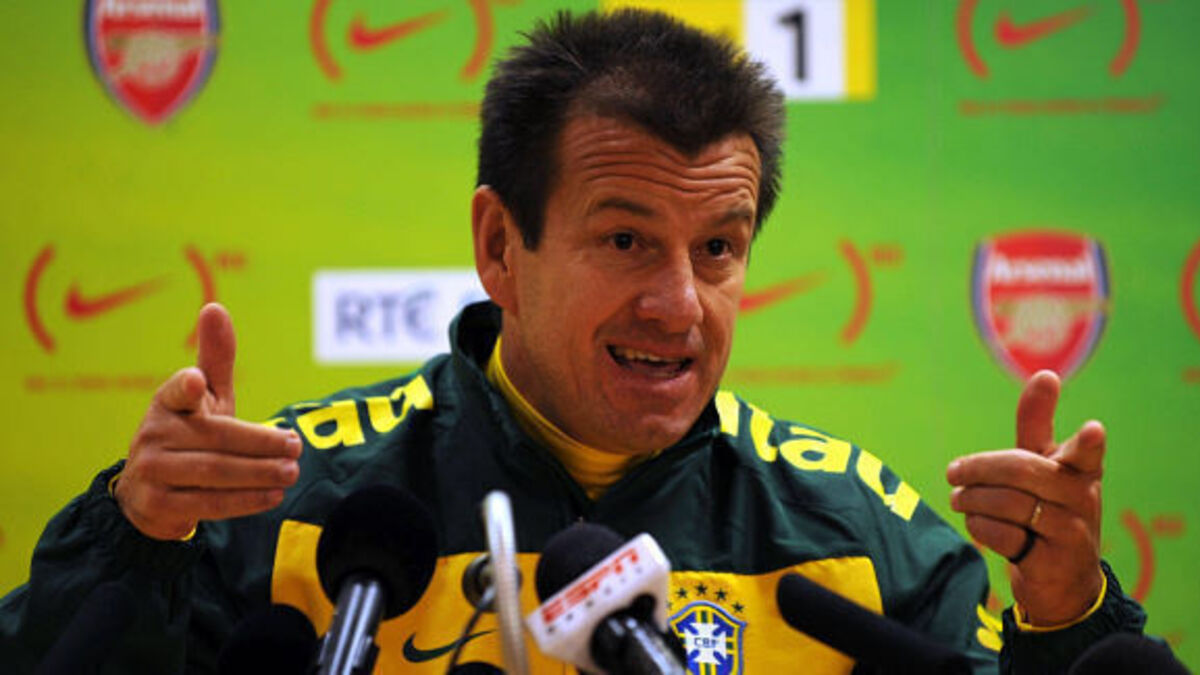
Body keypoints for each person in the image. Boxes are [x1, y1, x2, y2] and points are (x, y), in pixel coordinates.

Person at [0, 9, 1150, 674]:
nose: (679, 305)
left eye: (718, 248)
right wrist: (136, 538)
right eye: (626, 240)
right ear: (500, 247)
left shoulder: (858, 539)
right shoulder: (299, 510)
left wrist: (1067, 613)